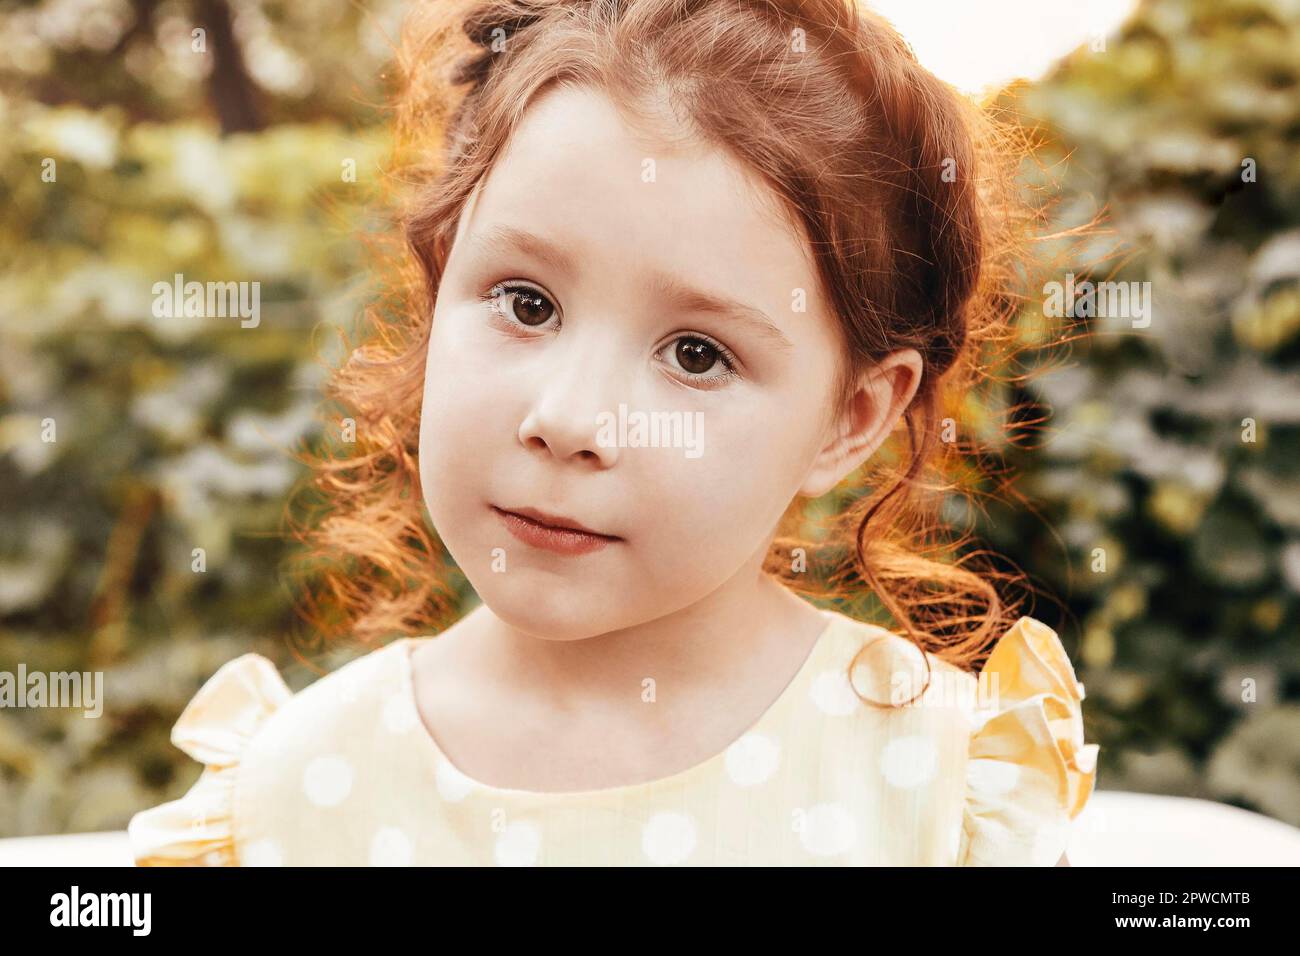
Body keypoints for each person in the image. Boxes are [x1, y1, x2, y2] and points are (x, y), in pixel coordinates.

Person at [129, 0, 1098, 866]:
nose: (568, 419)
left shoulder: (932, 784)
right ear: (435, 288)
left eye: (695, 355)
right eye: (525, 301)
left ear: (848, 419)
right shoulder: (292, 796)